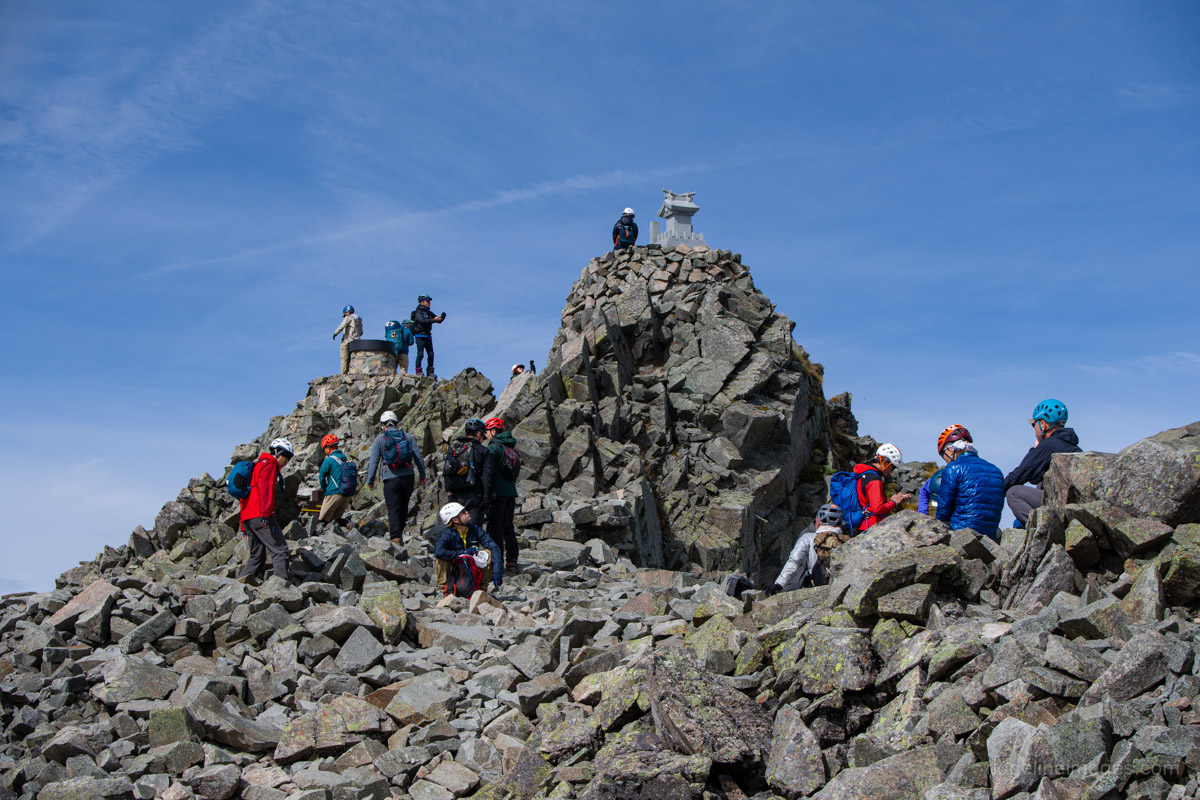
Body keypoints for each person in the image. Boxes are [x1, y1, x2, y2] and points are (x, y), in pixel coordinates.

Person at [1004, 399, 1081, 528]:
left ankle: (1044, 531)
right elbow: (1035, 477)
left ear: (1043, 424)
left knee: (1013, 493)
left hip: (1059, 506)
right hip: (1074, 506)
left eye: (1034, 424)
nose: (1034, 428)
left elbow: (1020, 474)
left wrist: (994, 492)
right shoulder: (1072, 447)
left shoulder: (1050, 445)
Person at [933, 425, 1005, 540]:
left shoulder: (953, 468)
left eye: (943, 455)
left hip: (961, 532)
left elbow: (944, 509)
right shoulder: (996, 470)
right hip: (990, 536)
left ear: (950, 450)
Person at [238, 438, 294, 585]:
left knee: (257, 557)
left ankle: (236, 588)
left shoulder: (256, 465)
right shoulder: (269, 465)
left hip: (248, 517)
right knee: (280, 551)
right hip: (261, 515)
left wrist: (243, 525)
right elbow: (266, 489)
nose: (286, 461)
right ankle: (280, 588)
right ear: (277, 453)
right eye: (286, 456)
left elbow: (245, 496)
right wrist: (265, 514)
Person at [366, 411, 427, 544]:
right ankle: (400, 531)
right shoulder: (407, 437)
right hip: (408, 477)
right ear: (396, 423)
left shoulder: (379, 440)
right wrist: (423, 475)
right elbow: (418, 458)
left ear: (383, 425)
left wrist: (370, 480)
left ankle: (395, 537)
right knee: (404, 506)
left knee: (393, 509)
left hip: (390, 479)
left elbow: (374, 462)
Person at [765, 504, 849, 594]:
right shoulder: (847, 541)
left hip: (816, 585)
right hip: (840, 586)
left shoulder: (809, 537)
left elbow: (794, 561)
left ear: (817, 521)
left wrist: (779, 584)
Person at [433, 502, 502, 594]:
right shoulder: (447, 534)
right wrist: (464, 552)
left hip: (471, 566)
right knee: (440, 558)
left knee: (488, 553)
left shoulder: (475, 529)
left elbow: (494, 547)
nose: (467, 512)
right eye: (463, 512)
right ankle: (445, 590)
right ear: (455, 520)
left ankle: (481, 589)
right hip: (455, 567)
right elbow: (438, 552)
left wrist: (497, 572)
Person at [483, 417, 520, 572]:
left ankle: (497, 561)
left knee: (494, 527)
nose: (485, 436)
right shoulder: (511, 449)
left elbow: (488, 472)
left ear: (493, 431)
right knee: (508, 526)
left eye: (487, 432)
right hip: (511, 492)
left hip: (497, 493)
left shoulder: (493, 448)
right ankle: (512, 560)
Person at [445, 418, 493, 526]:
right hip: (475, 496)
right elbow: (487, 477)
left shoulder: (454, 449)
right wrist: (486, 498)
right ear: (478, 434)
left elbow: (447, 472)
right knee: (473, 533)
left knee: (457, 532)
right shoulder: (483, 451)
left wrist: (450, 494)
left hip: (456, 496)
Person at [853, 443, 912, 531]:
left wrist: (892, 501)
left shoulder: (863, 473)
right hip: (870, 526)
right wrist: (893, 502)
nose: (891, 471)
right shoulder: (874, 480)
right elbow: (877, 509)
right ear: (885, 463)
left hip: (861, 523)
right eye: (892, 468)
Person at [316, 434, 354, 525]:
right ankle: (350, 525)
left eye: (324, 448)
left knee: (322, 521)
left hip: (333, 492)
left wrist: (325, 490)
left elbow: (321, 477)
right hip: (346, 493)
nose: (325, 451)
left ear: (328, 448)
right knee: (336, 520)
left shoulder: (329, 460)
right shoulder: (344, 458)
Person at [410, 295, 445, 378]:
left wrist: (442, 317)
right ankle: (418, 371)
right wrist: (434, 320)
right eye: (427, 301)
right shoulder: (418, 312)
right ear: (422, 302)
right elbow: (422, 321)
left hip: (428, 336)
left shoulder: (428, 312)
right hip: (420, 336)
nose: (429, 303)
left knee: (431, 354)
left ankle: (430, 372)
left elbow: (437, 320)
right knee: (420, 354)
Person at [332, 305, 363, 376]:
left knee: (344, 358)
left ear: (346, 312)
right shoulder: (359, 319)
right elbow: (361, 332)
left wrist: (335, 333)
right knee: (353, 358)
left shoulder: (348, 318)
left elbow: (342, 326)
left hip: (347, 340)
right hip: (356, 342)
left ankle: (343, 375)